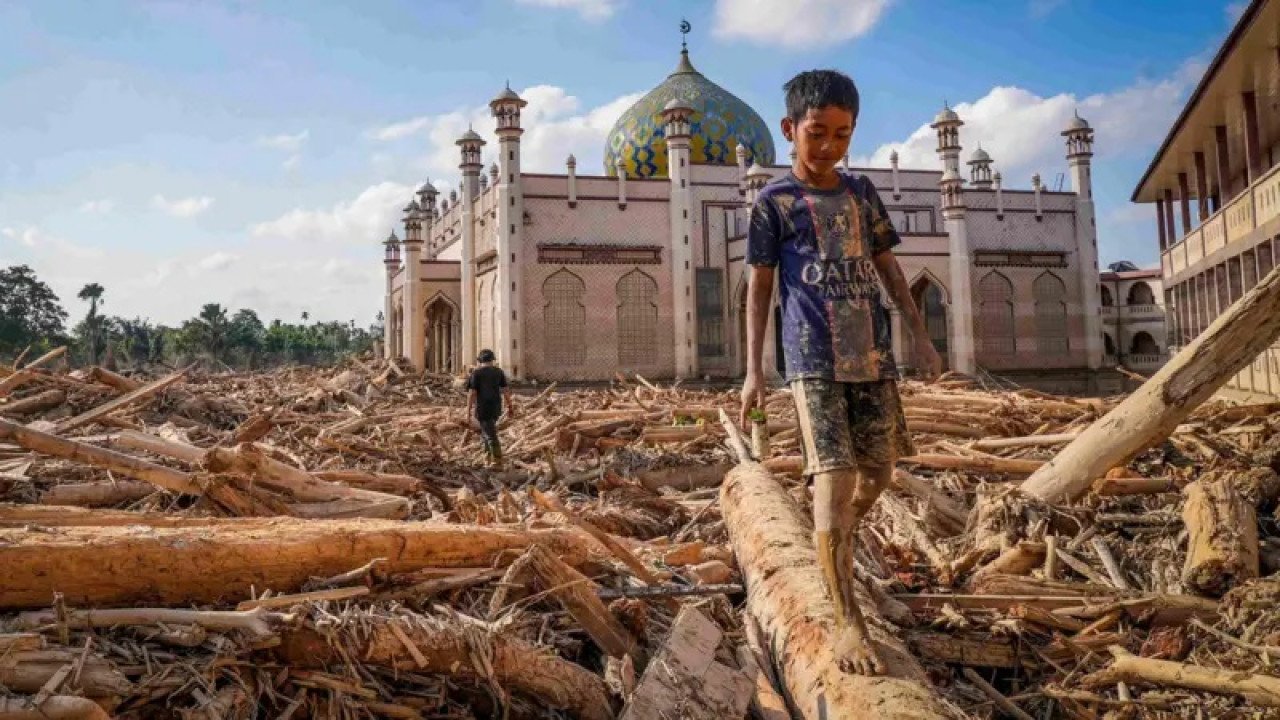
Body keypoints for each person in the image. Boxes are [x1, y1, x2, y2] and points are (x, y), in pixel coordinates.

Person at [739, 69, 942, 676]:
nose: (828, 146)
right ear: (789, 130)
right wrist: (754, 372)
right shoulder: (772, 204)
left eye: (842, 134)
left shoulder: (861, 194)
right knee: (834, 478)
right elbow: (759, 290)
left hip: (872, 357)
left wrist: (921, 339)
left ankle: (832, 534)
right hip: (814, 360)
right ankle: (847, 622)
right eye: (816, 132)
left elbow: (888, 269)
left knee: (877, 473)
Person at [465, 349, 514, 468]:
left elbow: (472, 393)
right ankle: (487, 458)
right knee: (486, 432)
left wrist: (468, 411)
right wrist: (510, 406)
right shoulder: (499, 372)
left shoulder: (476, 373)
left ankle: (497, 462)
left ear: (480, 361)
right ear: (492, 360)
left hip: (483, 407)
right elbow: (506, 391)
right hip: (496, 407)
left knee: (490, 434)